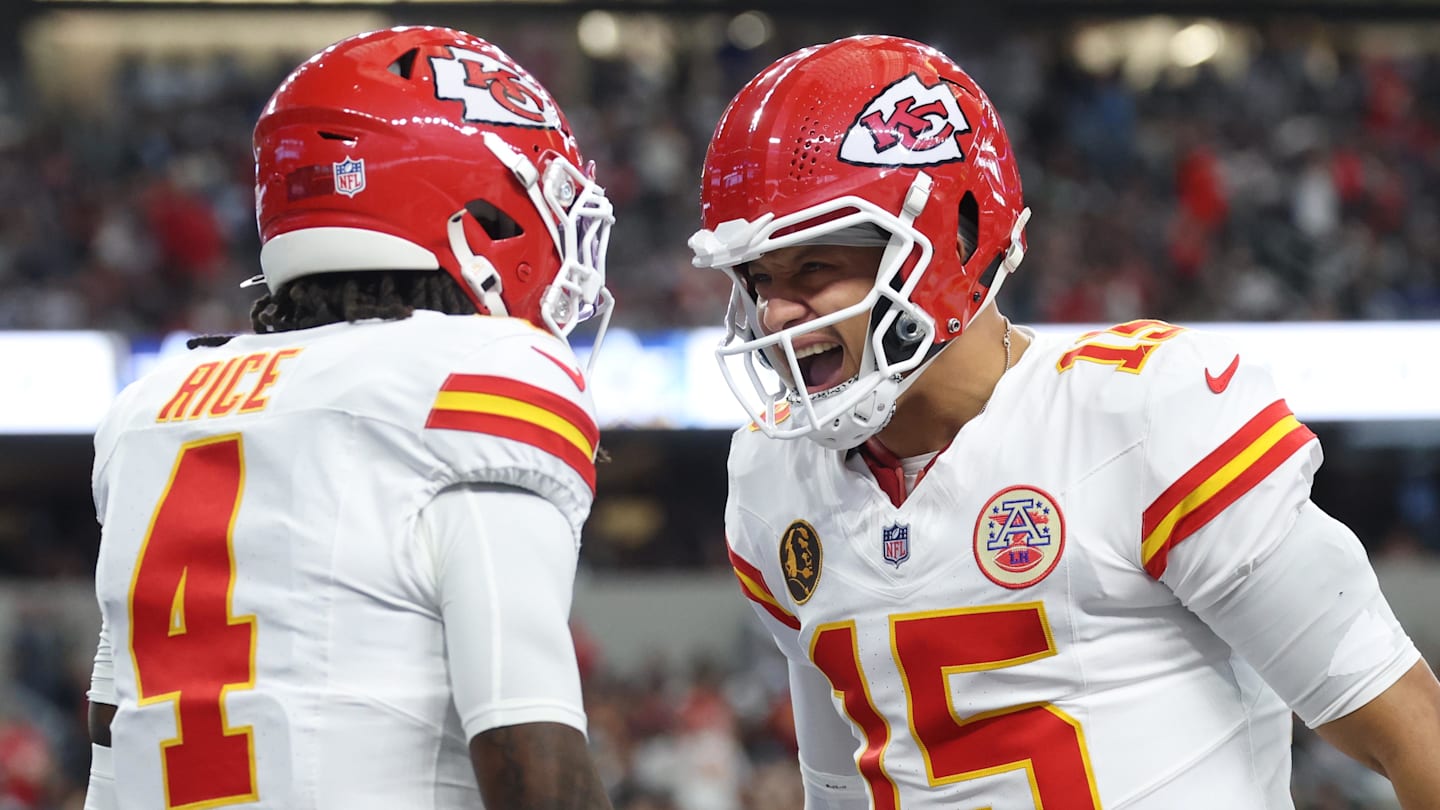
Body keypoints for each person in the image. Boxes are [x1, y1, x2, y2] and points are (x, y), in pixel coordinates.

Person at [688, 35, 1440, 809]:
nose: (775, 314)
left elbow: (1414, 737)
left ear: (956, 239)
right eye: (758, 279)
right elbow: (839, 788)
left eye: (814, 266)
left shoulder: (1140, 415)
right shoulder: (772, 480)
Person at [84, 27, 615, 810]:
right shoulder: (475, 376)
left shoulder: (152, 408)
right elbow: (531, 755)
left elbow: (110, 741)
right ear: (476, 216)